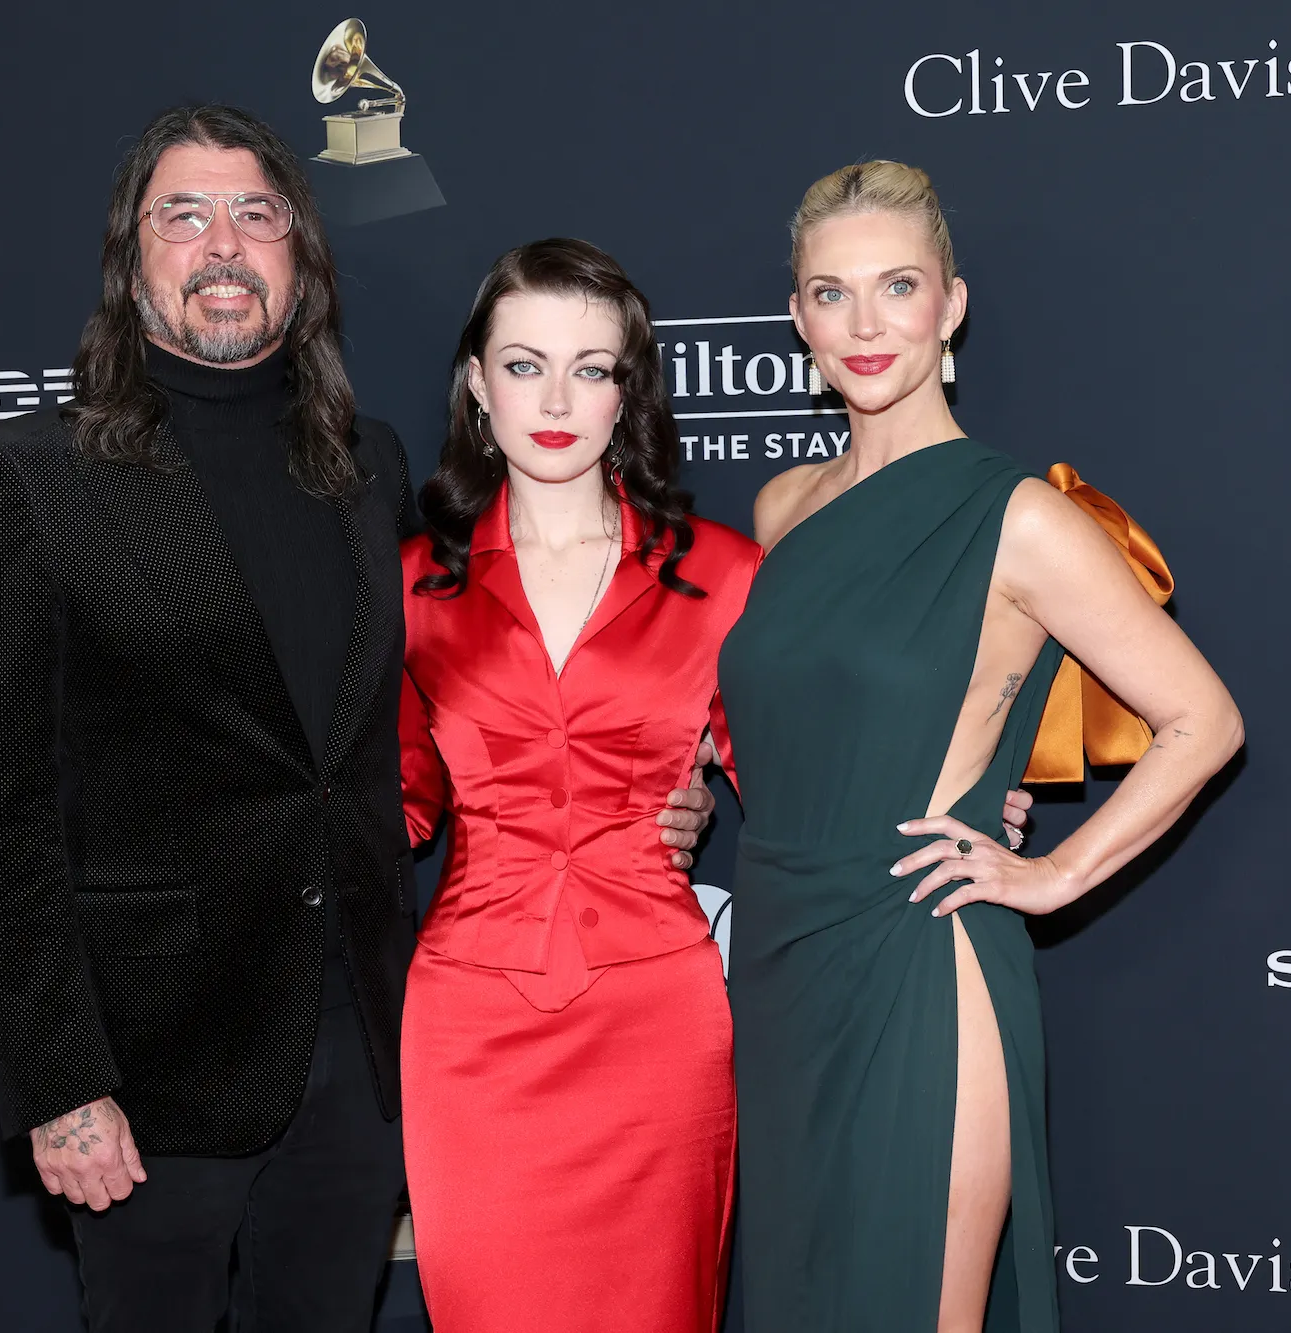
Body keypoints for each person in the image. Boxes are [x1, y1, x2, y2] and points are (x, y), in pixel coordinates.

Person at [0, 107, 713, 1333]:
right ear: (130, 257)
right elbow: (0, 809)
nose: (222, 244)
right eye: (181, 215)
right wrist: (61, 1082)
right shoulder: (31, 479)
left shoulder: (366, 467)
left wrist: (666, 789)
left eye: (257, 214)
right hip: (152, 1071)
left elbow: (442, 721)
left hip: (362, 1055)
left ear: (300, 259)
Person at [717, 161, 1245, 1332]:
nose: (863, 325)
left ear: (950, 305)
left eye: (896, 286)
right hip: (781, 965)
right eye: (829, 292)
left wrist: (1049, 874)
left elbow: (1201, 720)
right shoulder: (780, 507)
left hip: (920, 959)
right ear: (795, 313)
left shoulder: (1018, 516)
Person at [394, 238, 757, 1332]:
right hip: (470, 1025)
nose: (555, 399)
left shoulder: (721, 575)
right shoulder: (412, 582)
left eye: (591, 368)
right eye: (523, 364)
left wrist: (971, 798)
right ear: (474, 383)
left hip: (656, 1022)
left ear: (627, 395)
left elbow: (801, 788)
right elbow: (391, 804)